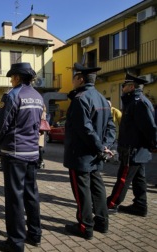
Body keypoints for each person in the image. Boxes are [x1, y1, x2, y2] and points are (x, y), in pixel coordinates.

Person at [0, 62, 44, 252]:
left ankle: (15, 242)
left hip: (14, 153)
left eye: (12, 77)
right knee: (32, 194)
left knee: (15, 198)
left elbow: (0, 126)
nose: (11, 80)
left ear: (17, 77)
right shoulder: (38, 97)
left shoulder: (12, 95)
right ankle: (35, 234)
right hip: (32, 152)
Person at [63, 63, 116, 240]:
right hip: (95, 153)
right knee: (98, 188)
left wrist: (100, 147)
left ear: (81, 79)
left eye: (74, 78)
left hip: (81, 155)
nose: (72, 81)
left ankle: (85, 227)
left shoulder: (80, 99)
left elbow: (84, 129)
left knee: (82, 192)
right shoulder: (101, 98)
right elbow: (111, 126)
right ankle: (102, 222)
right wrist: (105, 146)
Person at [107, 73, 157, 217]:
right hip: (136, 149)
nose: (122, 88)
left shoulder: (138, 102)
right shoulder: (134, 101)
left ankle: (111, 204)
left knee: (123, 178)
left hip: (134, 149)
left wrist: (153, 144)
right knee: (139, 178)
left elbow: (149, 127)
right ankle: (140, 206)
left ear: (131, 87)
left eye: (124, 85)